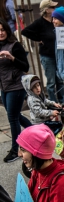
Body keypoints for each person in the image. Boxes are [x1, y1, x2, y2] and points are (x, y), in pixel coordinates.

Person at [22, 0, 64, 103]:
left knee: (60, 80)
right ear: (46, 10)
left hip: (57, 55)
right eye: (52, 7)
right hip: (47, 56)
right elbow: (25, 31)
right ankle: (53, 102)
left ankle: (62, 101)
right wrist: (38, 38)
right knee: (51, 82)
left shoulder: (55, 20)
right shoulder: (40, 22)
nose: (55, 9)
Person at [0, 18, 31, 163]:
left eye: (2, 30)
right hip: (4, 87)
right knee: (15, 115)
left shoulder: (15, 45)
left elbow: (25, 67)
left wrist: (12, 58)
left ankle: (16, 149)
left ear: (7, 30)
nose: (0, 33)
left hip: (16, 86)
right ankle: (34, 131)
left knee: (12, 117)